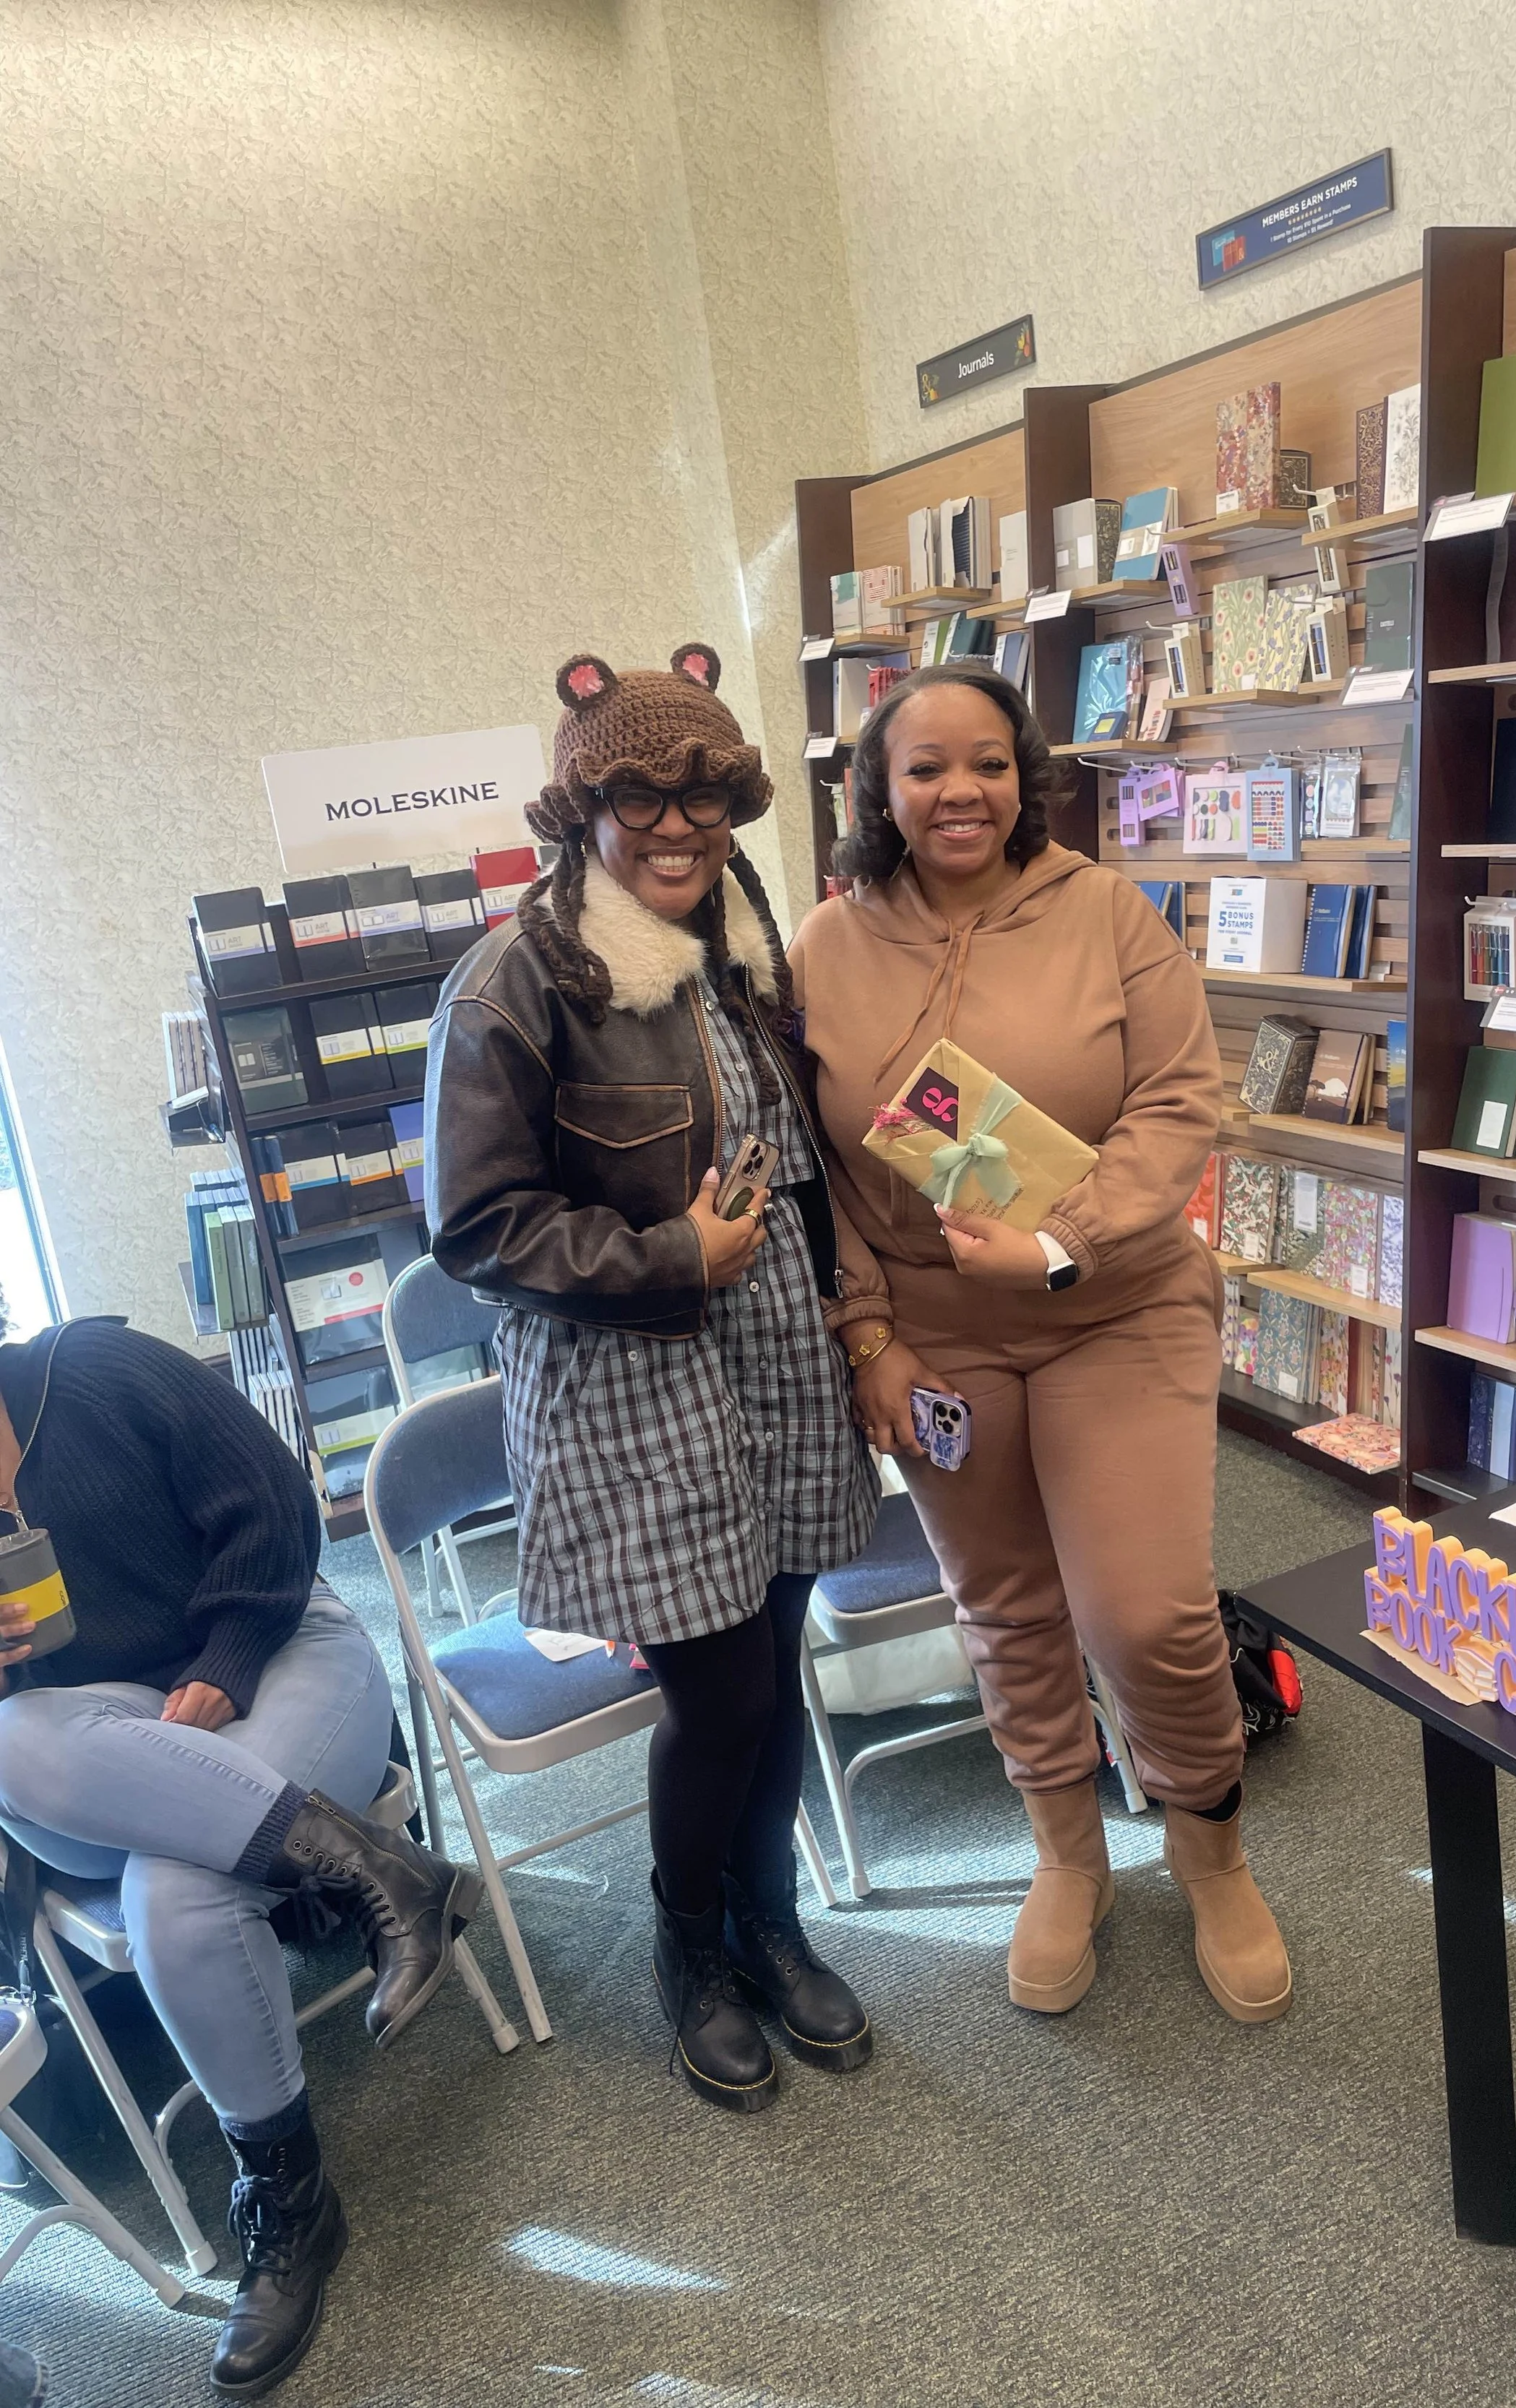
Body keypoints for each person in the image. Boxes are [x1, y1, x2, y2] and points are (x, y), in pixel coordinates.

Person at [788, 662, 1291, 2025]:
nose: (962, 791)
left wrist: (1060, 1239)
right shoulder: (823, 950)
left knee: (1149, 1615)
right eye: (929, 767)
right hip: (935, 1338)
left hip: (1113, 1311)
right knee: (1006, 1614)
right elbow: (811, 1169)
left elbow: (1181, 1104)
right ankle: (1067, 1858)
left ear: (1027, 774)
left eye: (990, 763)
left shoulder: (1111, 915)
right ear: (879, 791)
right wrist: (869, 1334)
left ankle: (1212, 1854)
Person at [426, 644, 879, 2113]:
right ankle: (693, 1947)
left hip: (775, 1358)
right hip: (632, 1369)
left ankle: (772, 1923)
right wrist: (668, 1252)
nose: (679, 826)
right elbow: (479, 1227)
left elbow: (797, 1163)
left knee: (777, 1670)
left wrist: (847, 1319)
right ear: (584, 809)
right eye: (641, 798)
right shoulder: (515, 978)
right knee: (723, 1695)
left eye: (705, 795)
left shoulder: (741, 941)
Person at [0, 1313, 478, 2399]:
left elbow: (274, 1507)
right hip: (98, 1743)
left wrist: (227, 1658)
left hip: (279, 1652)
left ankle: (290, 2203)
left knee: (176, 1892)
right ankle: (373, 1869)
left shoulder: (96, 1370)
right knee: (10, 1741)